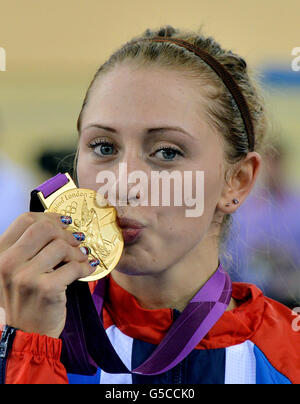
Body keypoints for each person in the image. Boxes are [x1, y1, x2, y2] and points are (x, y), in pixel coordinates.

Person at [0, 25, 299, 385]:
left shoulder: (289, 355)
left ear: (237, 181)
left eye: (167, 152)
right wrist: (29, 351)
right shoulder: (22, 333)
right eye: (104, 147)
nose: (123, 183)